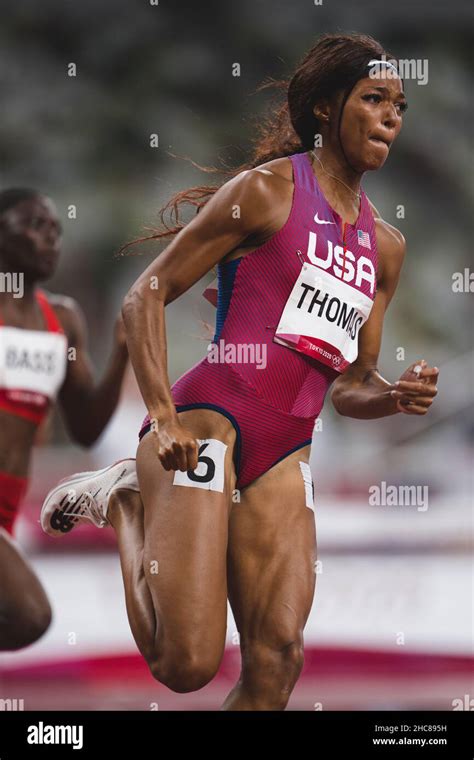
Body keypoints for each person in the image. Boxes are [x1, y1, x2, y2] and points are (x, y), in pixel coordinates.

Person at [40, 33, 439, 709]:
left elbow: (350, 384)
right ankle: (124, 499)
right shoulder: (263, 193)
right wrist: (162, 417)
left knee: (278, 662)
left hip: (288, 450)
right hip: (210, 424)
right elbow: (147, 295)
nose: (391, 118)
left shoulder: (387, 247)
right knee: (186, 665)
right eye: (373, 100)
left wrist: (392, 396)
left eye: (399, 105)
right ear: (324, 108)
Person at [0, 188, 129, 650]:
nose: (50, 238)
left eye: (56, 229)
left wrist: (122, 349)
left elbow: (86, 428)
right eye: (35, 227)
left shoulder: (63, 320)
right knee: (30, 615)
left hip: (8, 509)